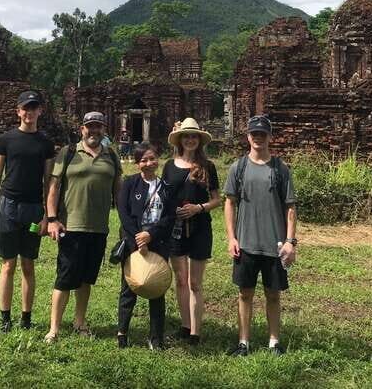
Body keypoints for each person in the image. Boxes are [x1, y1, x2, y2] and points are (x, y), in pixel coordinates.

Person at [45, 111, 122, 342]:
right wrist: (52, 219)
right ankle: (54, 328)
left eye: (98, 126)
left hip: (98, 227)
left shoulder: (111, 154)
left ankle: (79, 322)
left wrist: (125, 222)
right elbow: (54, 186)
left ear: (104, 129)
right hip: (71, 226)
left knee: (86, 278)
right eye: (90, 126)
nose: (94, 130)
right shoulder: (69, 152)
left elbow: (118, 190)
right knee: (65, 277)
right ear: (82, 129)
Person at [224, 115, 297, 356]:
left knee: (273, 295)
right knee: (244, 293)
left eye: (262, 134)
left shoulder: (280, 169)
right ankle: (243, 342)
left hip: (274, 244)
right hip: (246, 243)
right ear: (248, 137)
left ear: (269, 137)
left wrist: (290, 242)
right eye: (254, 133)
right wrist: (231, 238)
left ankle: (274, 341)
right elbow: (229, 203)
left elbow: (290, 207)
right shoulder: (238, 167)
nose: (258, 137)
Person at [0, 90, 55, 332]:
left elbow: (48, 181)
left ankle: (26, 317)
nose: (29, 112)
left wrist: (47, 215)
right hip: (9, 206)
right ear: (18, 111)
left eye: (33, 108)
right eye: (25, 108)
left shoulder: (45, 143)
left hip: (34, 210)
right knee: (8, 264)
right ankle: (5, 318)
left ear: (40, 111)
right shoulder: (6, 140)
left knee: (28, 264)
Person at [163, 117, 221, 345]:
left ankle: (196, 333)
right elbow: (164, 196)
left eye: (193, 136)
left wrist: (198, 208)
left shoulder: (207, 167)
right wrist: (173, 212)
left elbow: (216, 199)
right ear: (180, 140)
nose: (190, 140)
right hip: (176, 228)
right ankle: (185, 326)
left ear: (199, 140)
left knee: (195, 282)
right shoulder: (169, 166)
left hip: (200, 227)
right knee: (181, 280)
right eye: (186, 136)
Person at [116, 142, 176, 350]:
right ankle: (122, 333)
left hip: (158, 243)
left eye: (152, 159)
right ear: (137, 163)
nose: (149, 163)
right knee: (129, 287)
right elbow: (124, 213)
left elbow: (169, 217)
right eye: (144, 160)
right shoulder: (130, 183)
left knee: (157, 288)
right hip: (133, 242)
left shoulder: (166, 187)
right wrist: (138, 239)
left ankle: (156, 337)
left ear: (158, 160)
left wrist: (150, 235)